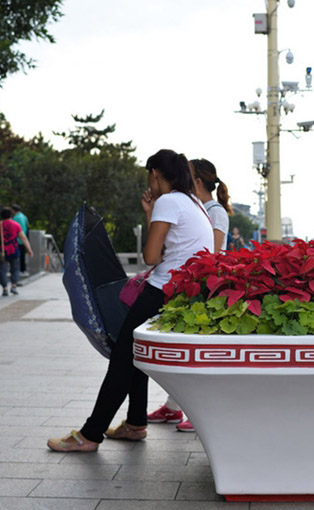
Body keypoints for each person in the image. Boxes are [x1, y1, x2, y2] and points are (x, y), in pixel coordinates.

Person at [48, 149, 213, 452]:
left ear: (153, 174)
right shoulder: (193, 203)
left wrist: (153, 212)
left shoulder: (169, 201)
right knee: (137, 354)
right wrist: (150, 214)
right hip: (182, 293)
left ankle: (89, 435)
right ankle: (136, 423)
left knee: (122, 360)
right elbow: (170, 250)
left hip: (160, 291)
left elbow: (152, 256)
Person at [146, 158, 230, 434]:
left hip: (200, 286)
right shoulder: (194, 207)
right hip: (187, 283)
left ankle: (195, 410)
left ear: (195, 181)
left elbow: (211, 254)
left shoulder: (213, 212)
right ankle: (173, 406)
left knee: (195, 352)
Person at [0, 207, 33, 297]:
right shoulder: (16, 225)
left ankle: (4, 288)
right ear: (11, 215)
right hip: (14, 250)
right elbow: (23, 238)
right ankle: (14, 285)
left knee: (2, 270)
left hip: (1, 251)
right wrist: (29, 249)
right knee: (15, 269)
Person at [11, 204, 29, 273]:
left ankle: (17, 270)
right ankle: (23, 269)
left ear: (14, 210)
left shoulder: (15, 218)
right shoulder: (24, 217)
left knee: (17, 256)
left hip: (17, 239)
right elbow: (27, 226)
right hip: (24, 239)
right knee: (22, 255)